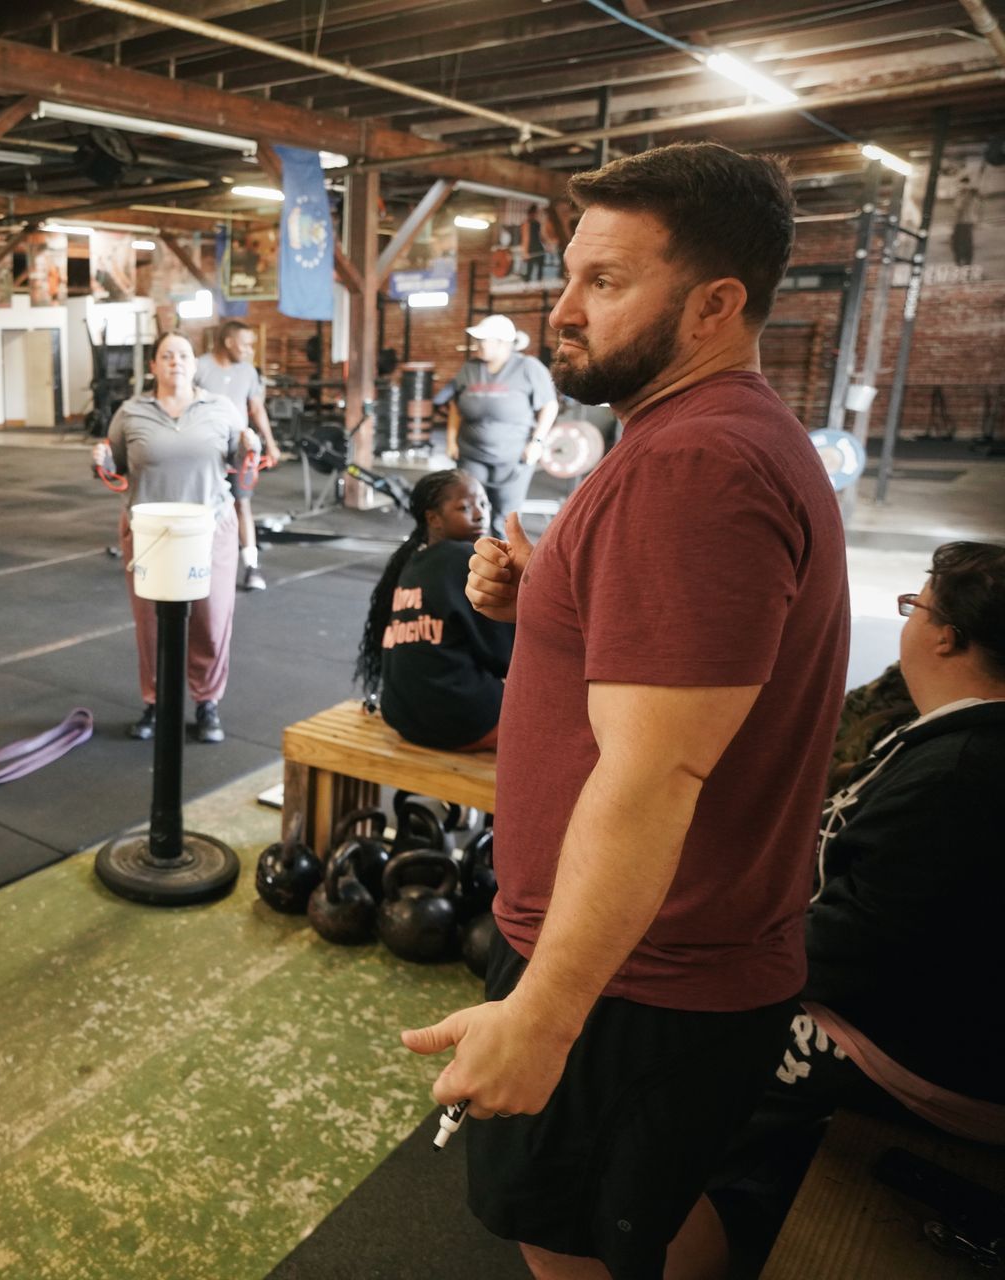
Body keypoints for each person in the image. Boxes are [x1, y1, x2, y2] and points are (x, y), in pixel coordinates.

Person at [402, 142, 850, 1280]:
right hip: (669, 960)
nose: (562, 310)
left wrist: (547, 1013)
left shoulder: (692, 466)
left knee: (566, 1235)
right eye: (569, 276)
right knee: (634, 1210)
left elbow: (656, 773)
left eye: (606, 281)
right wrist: (548, 588)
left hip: (629, 975)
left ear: (715, 303)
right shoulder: (712, 436)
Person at [712, 543, 1005, 1259]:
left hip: (917, 1051)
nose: (907, 619)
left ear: (945, 635)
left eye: (917, 604)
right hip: (893, 1004)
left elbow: (850, 947)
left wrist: (721, 953)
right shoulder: (951, 739)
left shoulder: (962, 775)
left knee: (668, 1073)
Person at [95, 331, 259, 744]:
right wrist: (98, 460)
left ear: (194, 363)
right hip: (150, 532)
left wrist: (249, 447)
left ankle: (207, 703)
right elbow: (114, 464)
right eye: (167, 356)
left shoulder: (219, 409)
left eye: (183, 355)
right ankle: (155, 702)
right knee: (150, 624)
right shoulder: (131, 412)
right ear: (153, 366)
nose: (176, 362)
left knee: (211, 617)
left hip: (209, 527)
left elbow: (240, 465)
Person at [354, 469, 512, 752]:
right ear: (433, 519)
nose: (480, 515)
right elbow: (505, 655)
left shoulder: (412, 562)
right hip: (461, 722)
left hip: (404, 717)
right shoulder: (465, 560)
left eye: (484, 504)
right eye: (464, 507)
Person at [433, 314, 558, 528]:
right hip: (471, 453)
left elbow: (549, 405)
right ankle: (473, 559)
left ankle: (504, 560)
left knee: (505, 518)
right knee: (470, 512)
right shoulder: (470, 368)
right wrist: (451, 440)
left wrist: (537, 442)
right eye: (478, 340)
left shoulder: (528, 368)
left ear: (503, 344)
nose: (478, 345)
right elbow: (455, 406)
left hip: (513, 457)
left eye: (484, 340)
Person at [194, 319, 279, 591]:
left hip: (240, 451)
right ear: (229, 342)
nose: (249, 350)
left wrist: (271, 442)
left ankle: (252, 567)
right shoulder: (200, 367)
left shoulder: (249, 373)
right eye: (245, 344)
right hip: (206, 452)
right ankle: (197, 565)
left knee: (242, 505)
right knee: (201, 508)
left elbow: (256, 409)